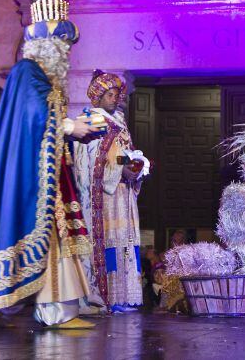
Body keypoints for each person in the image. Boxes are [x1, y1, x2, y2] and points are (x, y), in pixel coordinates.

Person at [0, 0, 100, 331]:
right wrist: (69, 126)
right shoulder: (28, 72)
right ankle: (51, 312)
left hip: (49, 172)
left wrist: (73, 130)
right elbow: (32, 116)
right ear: (48, 45)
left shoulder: (44, 78)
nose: (67, 53)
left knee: (56, 238)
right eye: (63, 45)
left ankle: (59, 310)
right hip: (31, 175)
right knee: (41, 234)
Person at [74, 71, 148, 313]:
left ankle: (124, 296)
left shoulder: (119, 121)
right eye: (109, 95)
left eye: (116, 95)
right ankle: (106, 297)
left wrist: (136, 166)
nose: (114, 99)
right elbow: (94, 157)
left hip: (123, 192)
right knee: (109, 242)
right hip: (105, 194)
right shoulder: (90, 119)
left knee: (126, 241)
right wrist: (121, 166)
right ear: (98, 97)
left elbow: (124, 152)